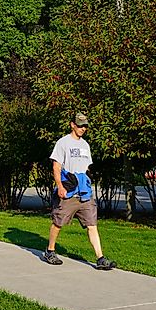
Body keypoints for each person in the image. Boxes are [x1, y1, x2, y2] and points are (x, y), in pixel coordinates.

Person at [42, 112, 116, 271]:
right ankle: (50, 251)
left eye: (85, 126)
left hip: (84, 193)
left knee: (92, 224)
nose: (83, 128)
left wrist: (88, 182)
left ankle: (100, 258)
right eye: (80, 125)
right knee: (58, 223)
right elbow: (56, 167)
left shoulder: (85, 145)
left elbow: (87, 167)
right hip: (68, 191)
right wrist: (60, 186)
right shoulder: (63, 143)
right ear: (72, 125)